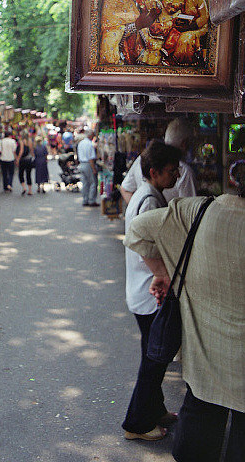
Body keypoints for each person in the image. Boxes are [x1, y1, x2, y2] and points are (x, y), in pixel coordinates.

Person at [124, 159, 245, 461]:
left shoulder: (200, 210)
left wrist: (163, 271)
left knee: (199, 432)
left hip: (207, 362)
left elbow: (138, 230)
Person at [122, 139, 181, 442]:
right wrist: (162, 275)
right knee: (154, 360)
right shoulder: (149, 200)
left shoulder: (148, 194)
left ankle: (155, 410)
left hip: (143, 289)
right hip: (149, 292)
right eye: (172, 171)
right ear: (155, 172)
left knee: (153, 354)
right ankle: (137, 422)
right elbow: (145, 245)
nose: (177, 176)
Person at [120, 117, 196, 206]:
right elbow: (189, 210)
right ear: (154, 174)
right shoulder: (150, 202)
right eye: (172, 171)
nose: (177, 175)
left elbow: (125, 189)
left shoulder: (143, 158)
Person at [77, 129, 99, 207]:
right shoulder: (90, 144)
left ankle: (85, 199)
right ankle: (91, 200)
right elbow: (91, 158)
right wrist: (94, 169)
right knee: (93, 182)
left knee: (85, 183)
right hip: (88, 164)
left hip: (82, 164)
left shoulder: (81, 143)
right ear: (90, 135)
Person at [15, 129, 34, 196]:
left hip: (23, 160)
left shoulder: (21, 141)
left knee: (21, 174)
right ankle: (30, 190)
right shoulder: (30, 141)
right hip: (29, 159)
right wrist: (33, 157)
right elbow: (31, 150)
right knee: (28, 175)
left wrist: (17, 159)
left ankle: (24, 188)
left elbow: (21, 151)